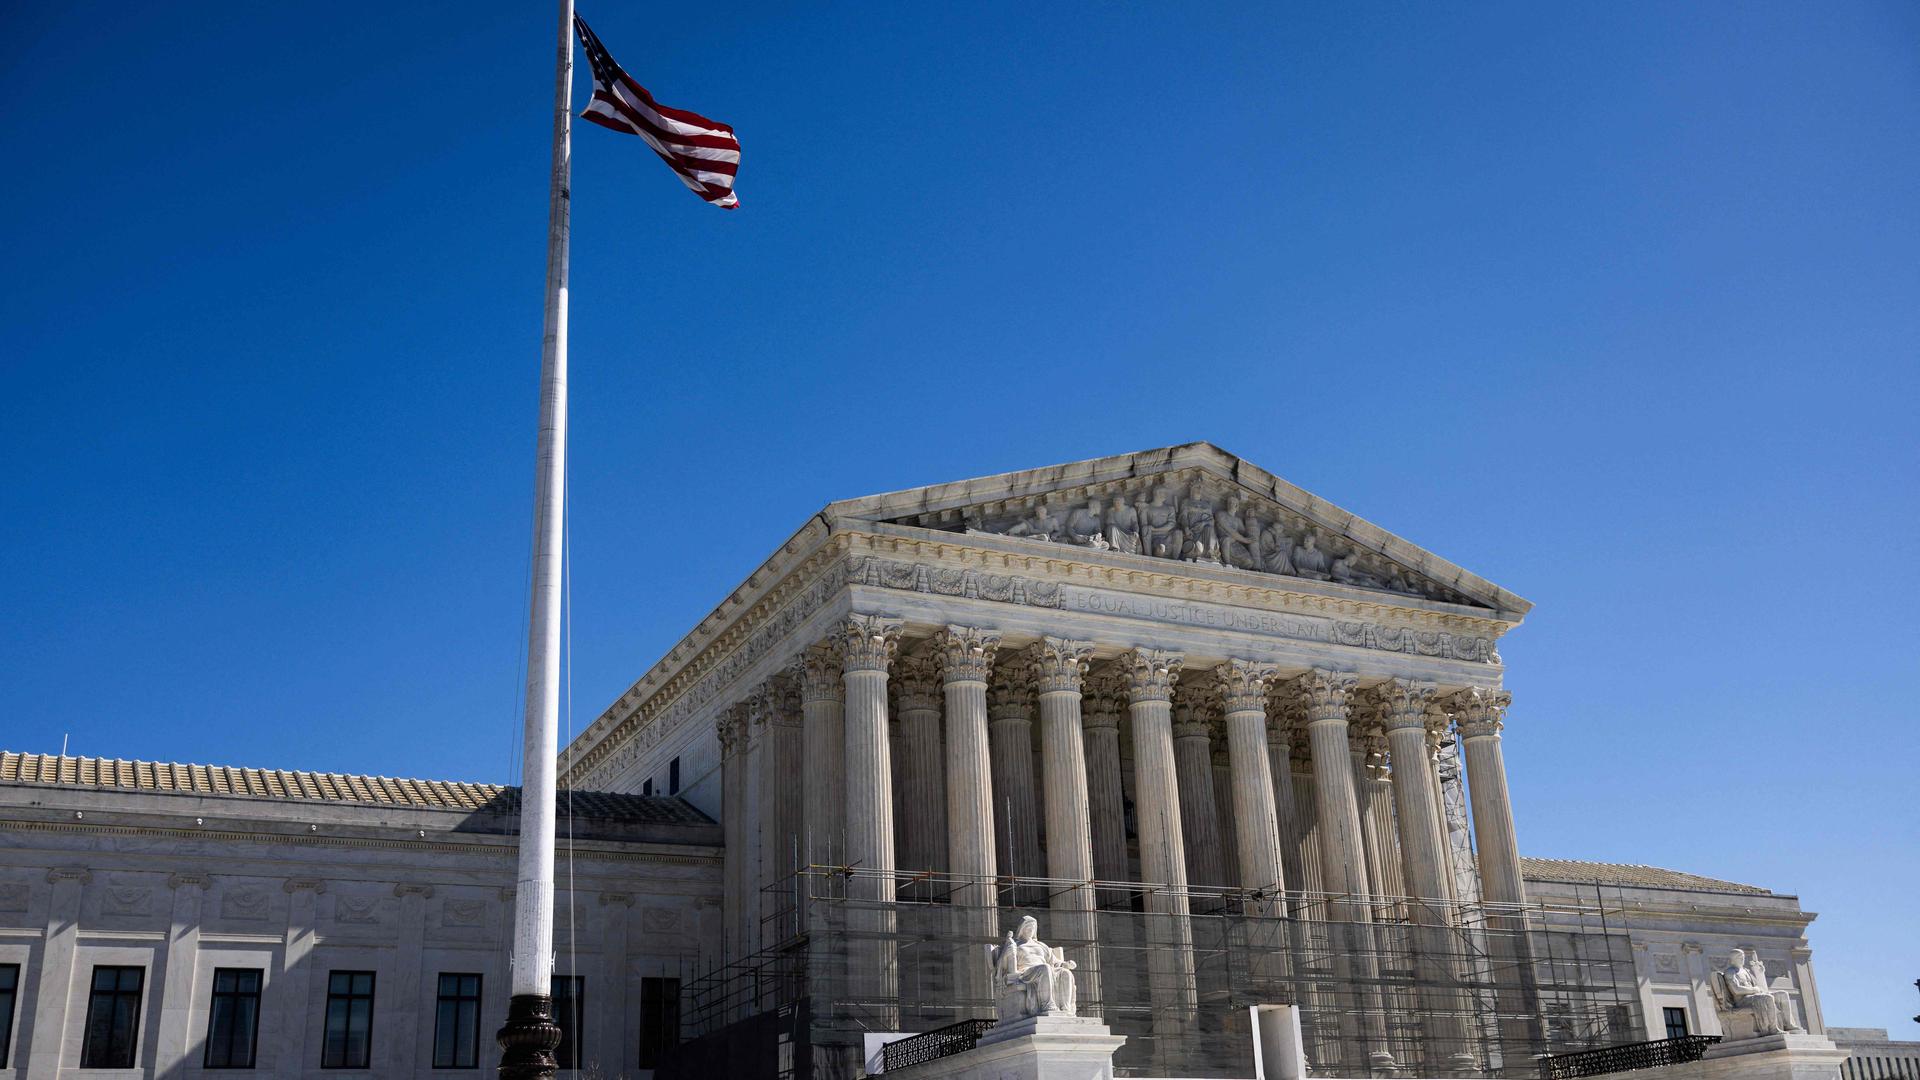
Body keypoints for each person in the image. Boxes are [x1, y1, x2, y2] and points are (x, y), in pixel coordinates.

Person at [990, 915, 1077, 1019]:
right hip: (1025, 973)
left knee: (1065, 973)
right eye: (1028, 927)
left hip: (1046, 970)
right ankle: (1047, 1005)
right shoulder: (1015, 944)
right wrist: (1007, 952)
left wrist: (1065, 964)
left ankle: (1065, 1008)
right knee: (1045, 968)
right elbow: (1002, 965)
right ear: (1022, 929)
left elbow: (1054, 961)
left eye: (1033, 928)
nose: (1031, 930)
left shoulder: (1041, 945)